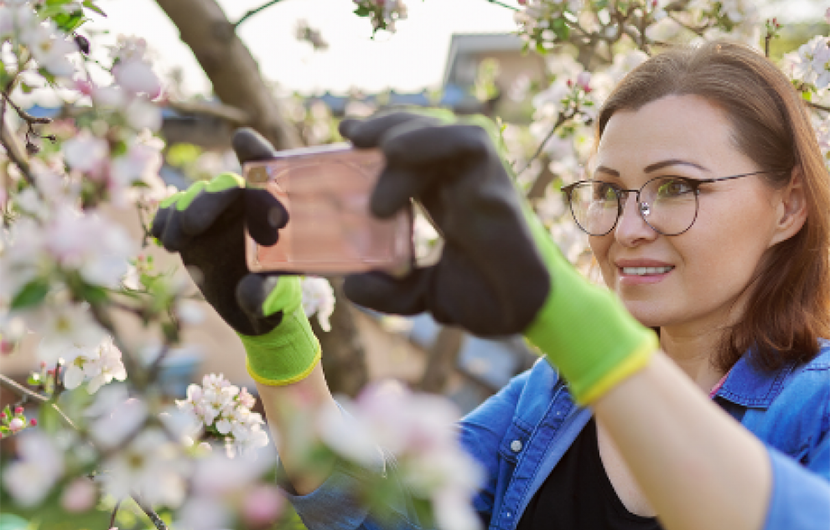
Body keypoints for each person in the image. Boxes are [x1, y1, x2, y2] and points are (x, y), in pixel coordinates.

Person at [151, 40, 830, 530]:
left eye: (676, 187)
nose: (627, 228)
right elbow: (385, 517)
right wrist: (280, 351)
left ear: (788, 206)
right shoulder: (552, 399)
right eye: (607, 191)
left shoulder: (817, 404)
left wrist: (571, 319)